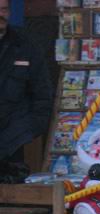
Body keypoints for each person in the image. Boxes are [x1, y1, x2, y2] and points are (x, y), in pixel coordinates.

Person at [0, 0, 53, 179]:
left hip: (13, 142)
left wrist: (27, 131)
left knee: (14, 194)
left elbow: (42, 93)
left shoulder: (25, 45)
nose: (1, 14)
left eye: (4, 9)